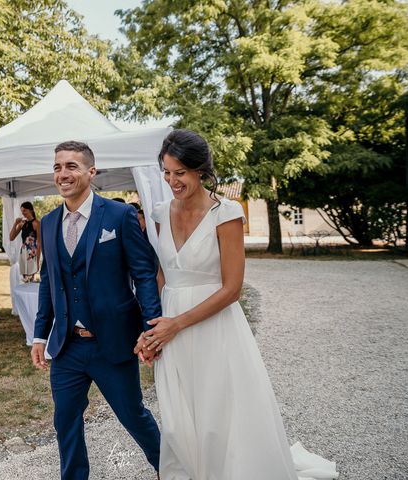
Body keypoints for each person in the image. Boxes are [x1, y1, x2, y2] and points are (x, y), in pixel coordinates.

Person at [136, 129, 337, 479]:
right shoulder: (158, 212)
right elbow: (162, 277)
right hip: (170, 325)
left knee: (220, 412)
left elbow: (232, 289)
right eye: (166, 173)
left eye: (180, 172)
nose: (172, 181)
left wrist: (177, 323)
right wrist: (153, 330)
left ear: (201, 170)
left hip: (213, 324)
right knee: (177, 417)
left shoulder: (225, 213)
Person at [31, 141, 161, 480]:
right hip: (67, 347)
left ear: (91, 171)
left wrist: (151, 327)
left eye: (71, 166)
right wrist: (39, 334)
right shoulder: (47, 223)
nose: (63, 173)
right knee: (66, 422)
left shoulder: (119, 216)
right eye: (58, 167)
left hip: (113, 344)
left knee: (134, 416)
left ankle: (172, 471)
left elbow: (144, 274)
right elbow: (48, 282)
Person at [9, 201, 40, 282]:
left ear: (31, 210)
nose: (23, 213)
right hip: (23, 253)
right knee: (24, 280)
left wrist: (38, 261)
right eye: (22, 211)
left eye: (24, 210)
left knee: (31, 280)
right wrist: (15, 224)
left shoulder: (36, 223)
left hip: (32, 254)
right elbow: (11, 237)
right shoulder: (22, 223)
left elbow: (39, 243)